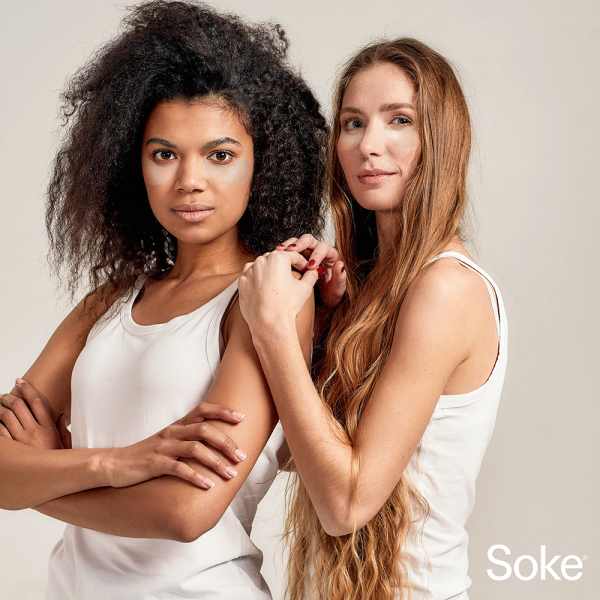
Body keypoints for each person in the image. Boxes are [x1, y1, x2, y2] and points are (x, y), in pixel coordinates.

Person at [0, 1, 326, 599]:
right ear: (134, 164)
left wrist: (41, 477)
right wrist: (115, 464)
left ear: (264, 164)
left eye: (220, 155)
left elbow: (185, 511)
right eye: (164, 153)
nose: (189, 181)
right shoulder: (110, 302)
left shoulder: (265, 300)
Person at [238, 38, 507, 599]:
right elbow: (297, 457)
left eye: (399, 120)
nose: (369, 145)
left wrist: (272, 334)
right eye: (353, 123)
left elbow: (345, 504)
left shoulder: (445, 288)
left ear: (440, 140)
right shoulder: (378, 289)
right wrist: (329, 327)